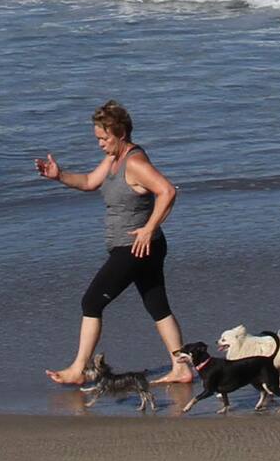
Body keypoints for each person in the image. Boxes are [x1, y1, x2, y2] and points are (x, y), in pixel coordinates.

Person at [35, 100, 192, 385]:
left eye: (104, 138)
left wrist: (148, 228)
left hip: (135, 248)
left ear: (120, 134)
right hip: (146, 247)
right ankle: (181, 367)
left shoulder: (134, 162)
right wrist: (59, 176)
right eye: (98, 138)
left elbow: (167, 191)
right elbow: (88, 182)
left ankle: (79, 368)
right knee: (158, 306)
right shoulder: (113, 159)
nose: (100, 144)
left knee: (91, 301)